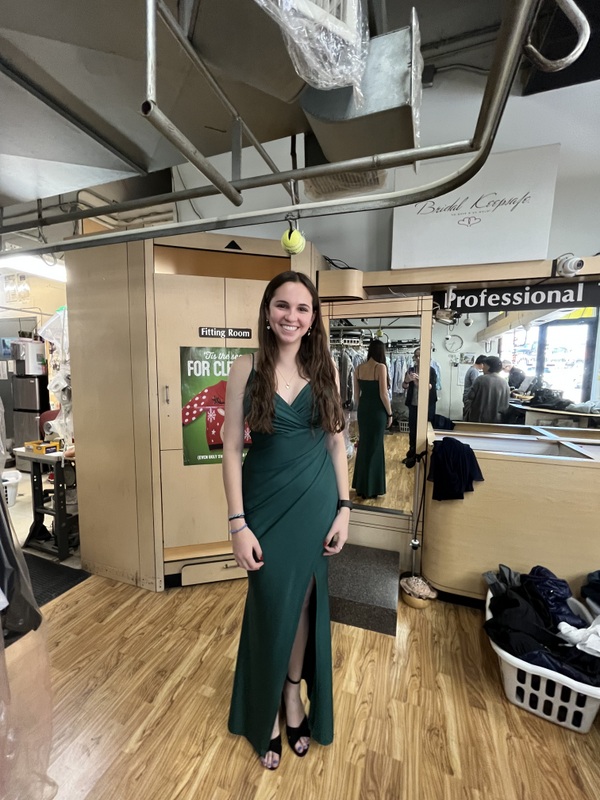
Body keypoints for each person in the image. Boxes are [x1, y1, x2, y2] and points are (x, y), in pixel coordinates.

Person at [222, 271, 350, 771]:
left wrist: (345, 508)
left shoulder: (327, 368)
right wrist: (238, 524)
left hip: (317, 503)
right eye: (282, 305)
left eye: (302, 308)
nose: (291, 316)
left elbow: (336, 442)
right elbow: (231, 450)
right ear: (267, 310)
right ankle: (265, 704)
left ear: (313, 318)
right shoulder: (245, 367)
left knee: (304, 606)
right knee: (272, 604)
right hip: (265, 506)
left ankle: (292, 695)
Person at [352, 338, 393, 498]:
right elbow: (383, 394)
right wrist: (390, 413)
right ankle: (372, 488)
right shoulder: (380, 367)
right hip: (377, 411)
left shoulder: (358, 368)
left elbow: (356, 396)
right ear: (381, 352)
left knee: (364, 446)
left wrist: (360, 410)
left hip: (364, 410)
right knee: (375, 447)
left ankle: (361, 486)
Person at [402, 347, 437, 462]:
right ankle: (411, 454)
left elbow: (431, 387)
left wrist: (420, 381)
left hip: (427, 405)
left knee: (427, 429)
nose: (418, 358)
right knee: (412, 429)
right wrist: (407, 380)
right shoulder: (411, 369)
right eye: (416, 356)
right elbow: (404, 386)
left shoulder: (431, 370)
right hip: (413, 404)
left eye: (420, 355)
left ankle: (425, 456)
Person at [464, 355, 511, 423]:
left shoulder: (480, 379)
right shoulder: (505, 383)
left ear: (489, 366)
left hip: (479, 418)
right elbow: (506, 404)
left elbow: (470, 396)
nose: (483, 368)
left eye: (484, 365)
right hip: (497, 420)